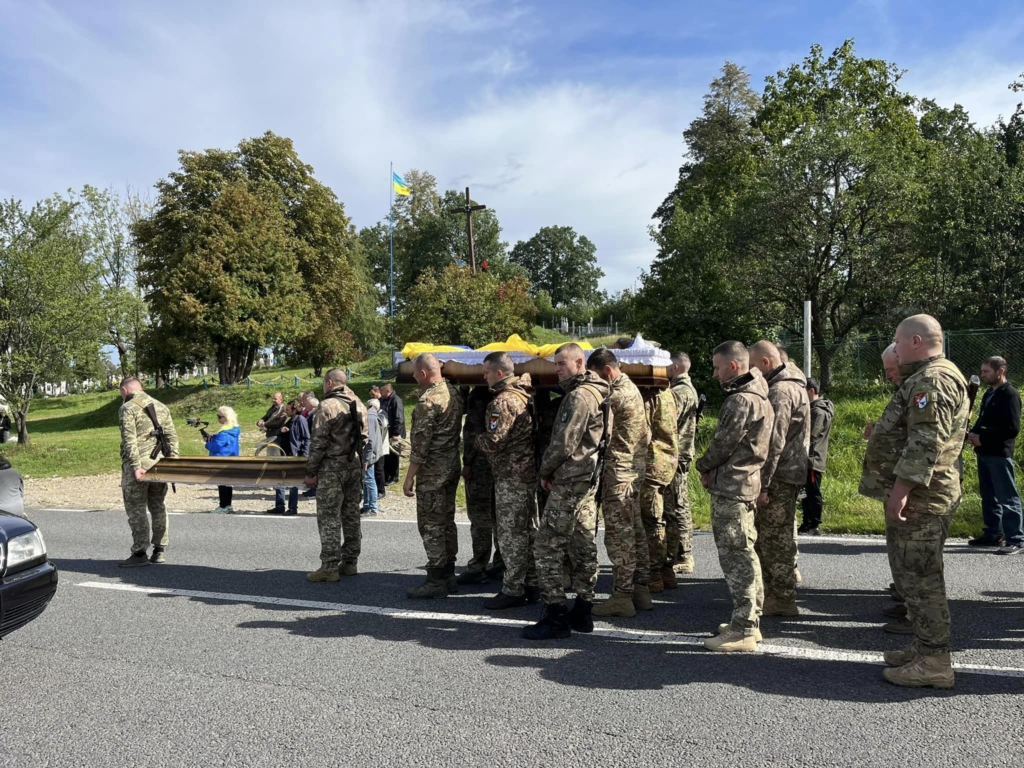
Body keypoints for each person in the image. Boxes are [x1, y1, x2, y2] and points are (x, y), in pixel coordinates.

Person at [872, 314, 969, 690]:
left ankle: (934, 662)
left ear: (915, 341)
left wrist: (901, 491)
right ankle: (923, 647)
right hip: (920, 496)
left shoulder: (934, 379)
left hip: (922, 499)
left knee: (922, 579)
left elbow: (925, 443)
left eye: (897, 341)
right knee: (911, 578)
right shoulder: (928, 376)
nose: (894, 348)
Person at [523, 343, 609, 641]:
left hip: (572, 480)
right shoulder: (599, 391)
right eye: (556, 364)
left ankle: (556, 615)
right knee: (583, 543)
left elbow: (562, 443)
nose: (557, 369)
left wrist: (544, 471)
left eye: (562, 363)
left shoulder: (579, 396)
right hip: (587, 478)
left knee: (546, 545)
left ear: (580, 362)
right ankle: (583, 610)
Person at [696, 341, 773, 653]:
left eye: (717, 367)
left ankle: (743, 628)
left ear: (733, 366)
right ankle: (749, 622)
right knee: (745, 554)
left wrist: (702, 465)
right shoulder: (758, 395)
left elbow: (723, 444)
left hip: (732, 487)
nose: (715, 374)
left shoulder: (740, 401)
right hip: (744, 484)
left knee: (736, 558)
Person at [587, 348, 652, 618]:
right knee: (635, 531)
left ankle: (622, 596)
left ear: (608, 372)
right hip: (632, 472)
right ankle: (640, 589)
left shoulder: (615, 396)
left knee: (619, 537)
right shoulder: (632, 389)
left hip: (619, 475)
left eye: (594, 376)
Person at [748, 340, 810, 618]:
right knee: (776, 537)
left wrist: (764, 483)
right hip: (788, 471)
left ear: (765, 363)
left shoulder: (780, 391)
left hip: (780, 474)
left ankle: (782, 597)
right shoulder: (792, 384)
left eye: (752, 366)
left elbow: (773, 442)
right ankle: (776, 594)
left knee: (774, 540)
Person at [475, 351, 540, 609]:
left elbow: (493, 441)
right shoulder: (525, 394)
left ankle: (513, 589)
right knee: (529, 532)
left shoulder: (502, 402)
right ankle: (533, 584)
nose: (484, 376)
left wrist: (473, 440)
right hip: (525, 473)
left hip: (511, 476)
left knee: (511, 534)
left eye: (486, 372)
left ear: (499, 373)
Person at [404, 354, 464, 599]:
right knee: (447, 520)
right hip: (451, 465)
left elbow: (420, 446)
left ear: (424, 374)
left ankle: (436, 580)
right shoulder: (454, 393)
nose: (415, 377)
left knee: (431, 524)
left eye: (415, 373)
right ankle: (449, 573)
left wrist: (409, 477)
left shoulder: (428, 401)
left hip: (433, 472)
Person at [304, 369, 370, 582]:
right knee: (351, 515)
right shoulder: (358, 403)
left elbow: (318, 442)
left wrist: (311, 471)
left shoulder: (327, 405)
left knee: (329, 517)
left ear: (329, 383)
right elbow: (366, 439)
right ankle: (350, 562)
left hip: (332, 469)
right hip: (353, 466)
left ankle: (329, 567)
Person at [117, 377, 179, 567]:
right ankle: (159, 550)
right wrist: (174, 463)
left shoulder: (128, 408)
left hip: (139, 466)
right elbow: (171, 436)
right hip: (160, 465)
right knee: (158, 505)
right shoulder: (161, 406)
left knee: (136, 509)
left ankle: (139, 552)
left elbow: (130, 441)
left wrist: (136, 467)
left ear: (124, 391)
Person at [967, 356, 1023, 554]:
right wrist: (972, 433)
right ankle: (994, 534)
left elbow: (1011, 428)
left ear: (1000, 371)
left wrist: (984, 438)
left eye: (986, 372)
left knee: (1007, 496)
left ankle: (1016, 539)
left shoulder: (1010, 395)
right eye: (982, 371)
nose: (983, 375)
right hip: (984, 452)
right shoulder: (989, 393)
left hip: (999, 453)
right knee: (989, 496)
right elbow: (983, 420)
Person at [640, 384, 679, 593]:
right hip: (668, 462)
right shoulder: (668, 393)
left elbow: (642, 432)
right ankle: (667, 570)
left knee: (652, 519)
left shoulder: (650, 395)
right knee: (668, 516)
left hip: (652, 463)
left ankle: (654, 574)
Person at [459, 385, 499, 585]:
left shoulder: (479, 395)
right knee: (499, 514)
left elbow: (473, 432)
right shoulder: (503, 394)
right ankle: (502, 562)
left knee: (480, 516)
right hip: (499, 464)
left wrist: (467, 462)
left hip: (480, 464)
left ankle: (478, 566)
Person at [665, 352, 699, 575]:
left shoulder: (680, 391)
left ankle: (684, 555)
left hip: (677, 455)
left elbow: (667, 421)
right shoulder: (683, 388)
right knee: (676, 505)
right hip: (677, 454)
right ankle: (678, 552)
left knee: (677, 506)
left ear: (675, 368)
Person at [800, 379, 834, 535]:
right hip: (805, 459)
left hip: (813, 459)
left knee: (813, 492)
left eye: (803, 391)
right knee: (804, 493)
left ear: (811, 391)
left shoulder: (818, 412)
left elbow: (812, 434)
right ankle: (806, 522)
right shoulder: (812, 409)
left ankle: (814, 524)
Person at [271, 400, 310, 516]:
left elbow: (307, 438)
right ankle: (280, 506)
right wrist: (282, 431)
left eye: (288, 409)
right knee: (281, 480)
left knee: (293, 483)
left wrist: (304, 456)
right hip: (285, 454)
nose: (285, 411)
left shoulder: (300, 420)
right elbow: (280, 432)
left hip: (295, 455)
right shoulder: (290, 421)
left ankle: (292, 508)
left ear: (294, 410)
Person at [206, 406, 241, 514]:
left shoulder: (224, 432)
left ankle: (223, 505)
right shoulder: (233, 429)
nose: (218, 418)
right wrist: (212, 438)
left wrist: (207, 443)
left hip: (222, 459)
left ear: (225, 418)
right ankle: (228, 505)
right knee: (228, 483)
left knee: (221, 483)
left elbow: (216, 446)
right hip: (231, 458)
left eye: (219, 416)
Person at [363, 397, 389, 517]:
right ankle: (367, 505)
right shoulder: (377, 416)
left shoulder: (370, 417)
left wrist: (366, 458)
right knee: (367, 479)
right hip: (375, 452)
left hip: (371, 454)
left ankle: (372, 507)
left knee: (369, 480)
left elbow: (371, 441)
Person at [380, 382, 406, 485]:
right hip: (386, 432)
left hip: (394, 434)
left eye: (382, 390)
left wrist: (396, 434)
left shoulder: (396, 400)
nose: (380, 392)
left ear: (388, 390)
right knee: (387, 455)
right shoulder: (384, 400)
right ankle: (387, 475)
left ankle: (394, 477)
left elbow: (399, 419)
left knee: (393, 455)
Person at [302, 394, 321, 499]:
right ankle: (312, 488)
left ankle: (314, 489)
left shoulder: (317, 416)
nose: (306, 407)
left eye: (308, 405)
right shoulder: (311, 415)